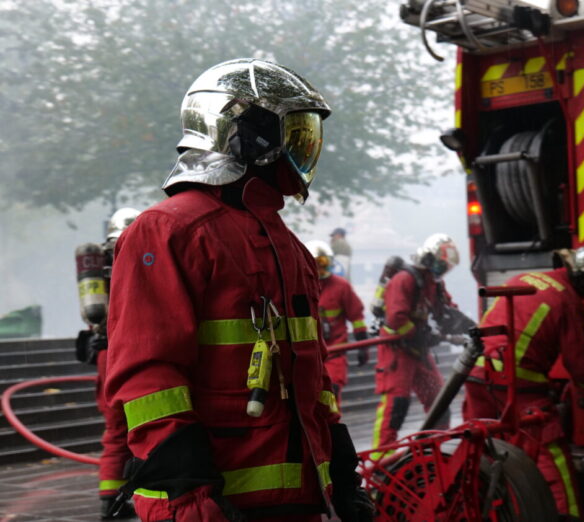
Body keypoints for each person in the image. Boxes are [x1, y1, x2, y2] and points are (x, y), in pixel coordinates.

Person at [104, 59, 371, 522]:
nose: (305, 147)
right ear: (250, 134)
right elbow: (149, 377)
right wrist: (188, 498)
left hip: (301, 499)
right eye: (295, 132)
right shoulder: (168, 231)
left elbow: (312, 377)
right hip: (217, 503)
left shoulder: (287, 245)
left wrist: (342, 471)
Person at [461, 245, 584, 520]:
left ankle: (471, 509)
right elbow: (583, 369)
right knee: (550, 454)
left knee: (479, 449)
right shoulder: (569, 301)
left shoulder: (526, 278)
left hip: (476, 375)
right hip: (517, 387)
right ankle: (567, 516)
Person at [74, 207, 140, 519]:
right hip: (130, 349)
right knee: (142, 424)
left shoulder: (99, 266)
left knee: (115, 429)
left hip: (104, 353)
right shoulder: (140, 256)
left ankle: (109, 500)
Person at [370, 233, 459, 455]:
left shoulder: (434, 283)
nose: (440, 270)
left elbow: (446, 309)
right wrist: (419, 335)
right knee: (396, 406)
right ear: (428, 258)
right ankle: (382, 461)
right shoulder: (404, 280)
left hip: (418, 350)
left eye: (444, 267)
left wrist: (464, 327)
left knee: (439, 400)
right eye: (439, 264)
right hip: (397, 351)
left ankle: (433, 450)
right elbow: (395, 318)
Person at [305, 240, 368, 404]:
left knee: (331, 391)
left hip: (335, 352)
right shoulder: (299, 287)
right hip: (308, 354)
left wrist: (362, 344)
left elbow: (357, 317)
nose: (320, 268)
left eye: (324, 263)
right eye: (316, 263)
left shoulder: (341, 287)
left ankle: (332, 428)